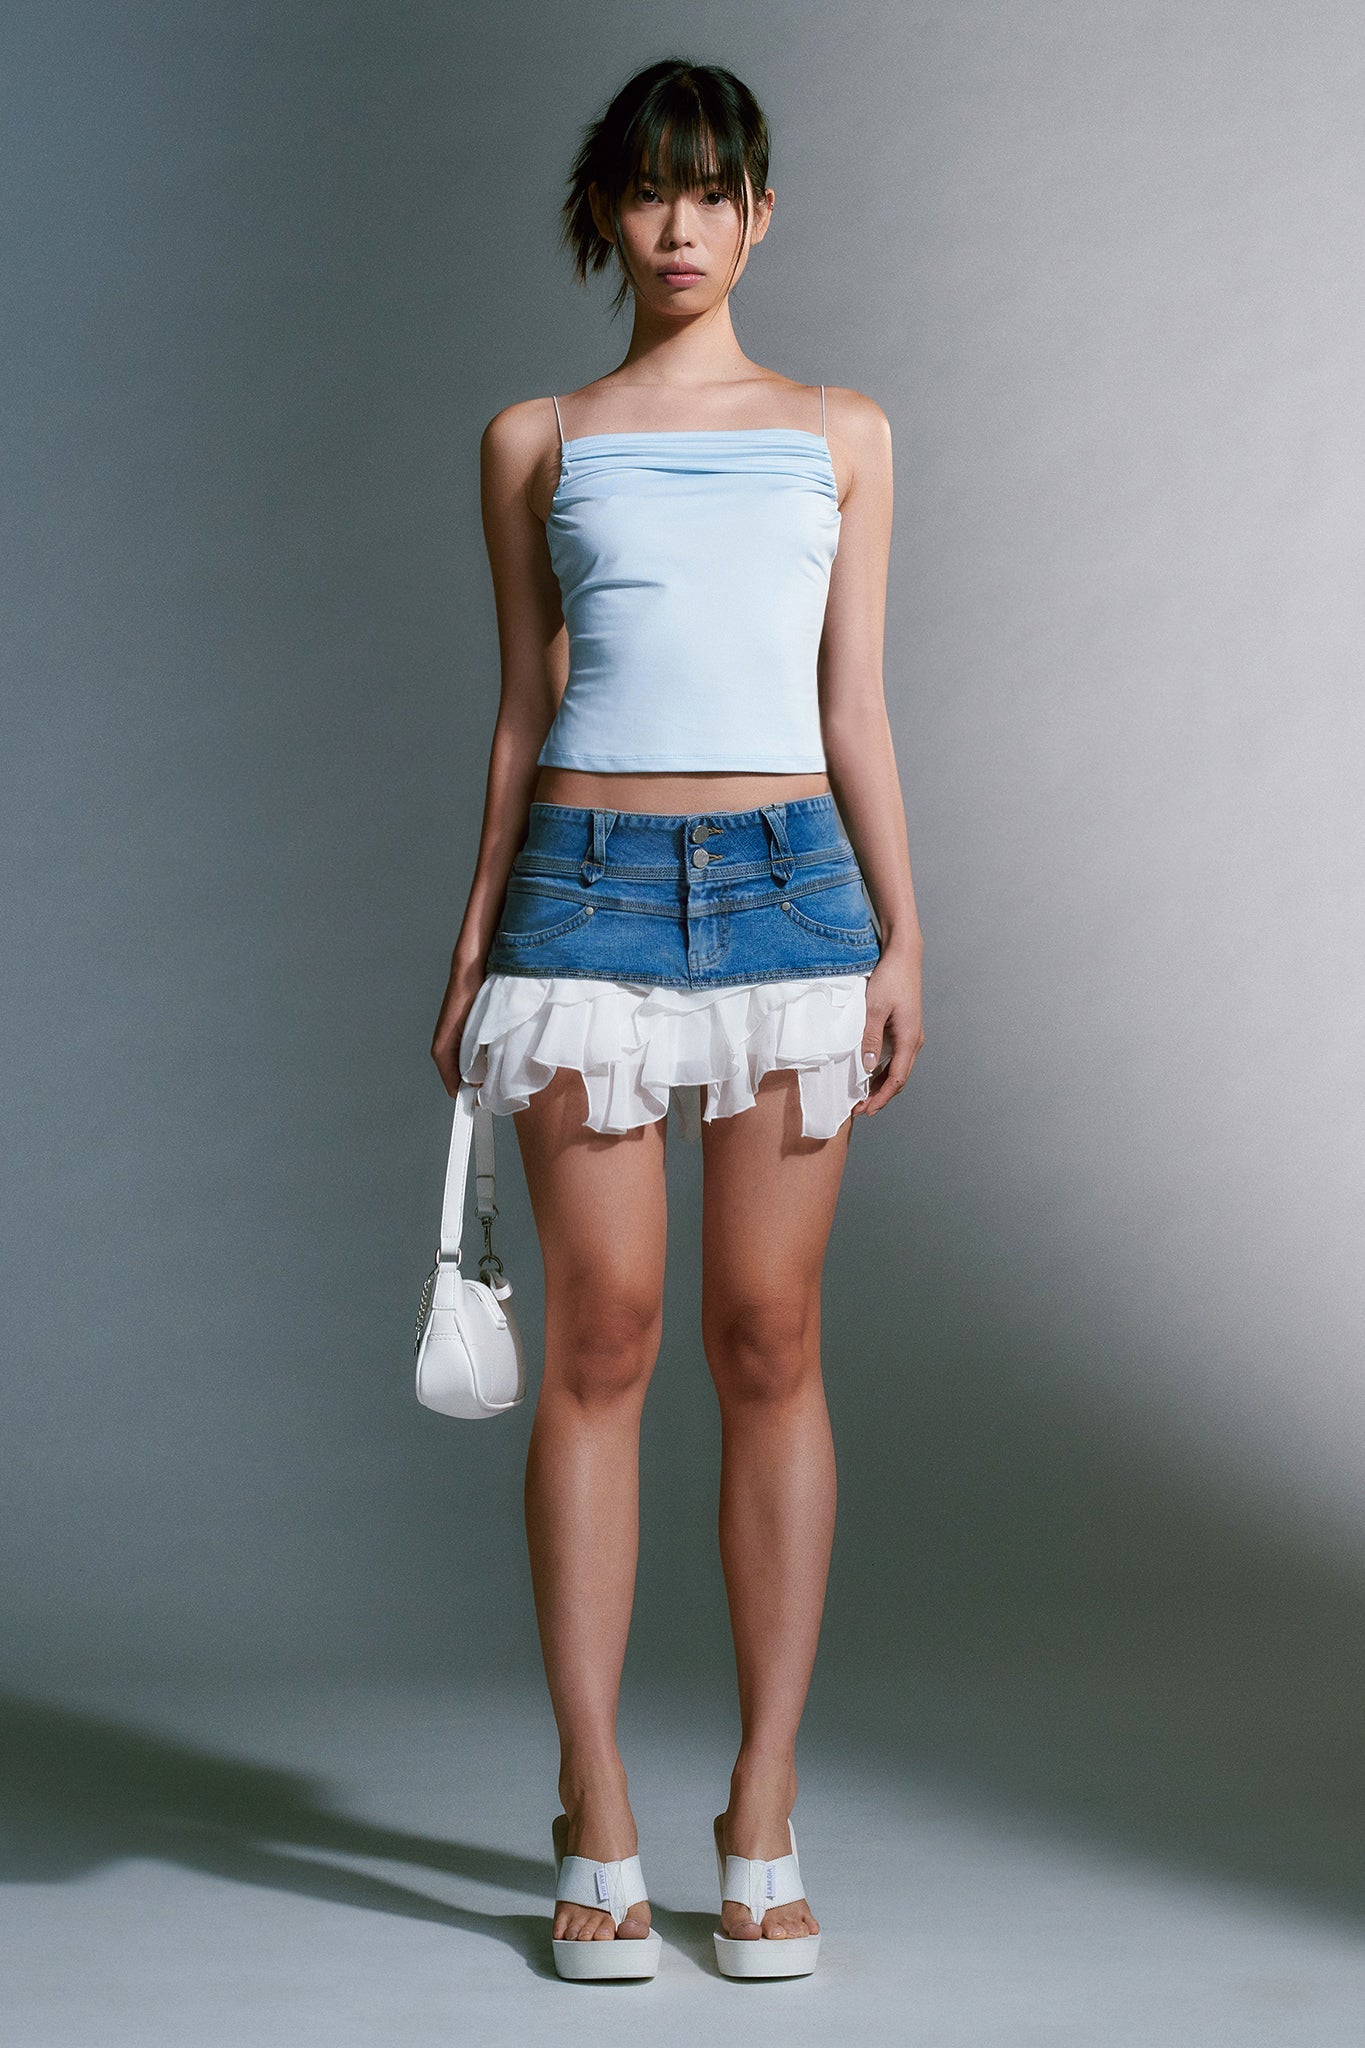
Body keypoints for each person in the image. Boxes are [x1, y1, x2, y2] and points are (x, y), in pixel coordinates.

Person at [430, 56, 924, 1982]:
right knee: (605, 1342)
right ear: (606, 215)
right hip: (584, 901)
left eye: (714, 193)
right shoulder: (534, 436)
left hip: (795, 896)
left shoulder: (841, 432)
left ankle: (763, 1812)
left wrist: (902, 939)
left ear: (762, 217)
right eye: (649, 193)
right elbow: (516, 713)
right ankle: (600, 1816)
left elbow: (856, 702)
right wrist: (474, 944)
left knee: (768, 1340)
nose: (681, 228)